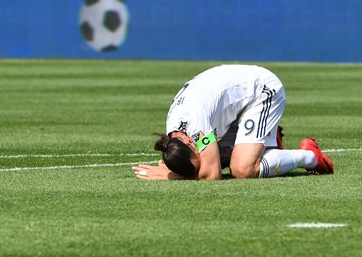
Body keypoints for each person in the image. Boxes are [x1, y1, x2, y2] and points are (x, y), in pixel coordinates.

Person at [133, 64, 334, 181]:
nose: (200, 163)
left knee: (242, 169)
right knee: (222, 157)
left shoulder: (196, 128)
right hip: (235, 109)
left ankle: (310, 157)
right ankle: (267, 143)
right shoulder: (179, 134)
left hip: (262, 90)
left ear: (189, 142)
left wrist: (173, 176)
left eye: (197, 158)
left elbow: (212, 174)